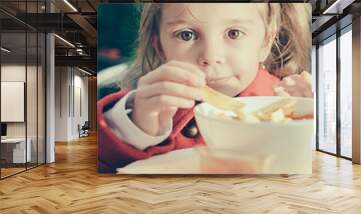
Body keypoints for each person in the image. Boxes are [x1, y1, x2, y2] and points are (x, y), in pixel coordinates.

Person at [98, 3, 312, 173]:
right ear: (159, 46)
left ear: (266, 41)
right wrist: (136, 127)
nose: (210, 56)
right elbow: (105, 169)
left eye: (234, 33)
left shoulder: (290, 103)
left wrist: (311, 122)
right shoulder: (148, 105)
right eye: (186, 35)